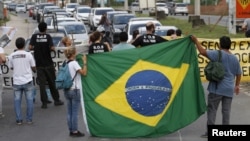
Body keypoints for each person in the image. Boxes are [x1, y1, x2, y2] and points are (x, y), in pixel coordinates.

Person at [191, 35, 242, 138]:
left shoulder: (217, 54)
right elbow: (239, 73)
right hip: (229, 89)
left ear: (219, 45)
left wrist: (196, 41)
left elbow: (202, 52)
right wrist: (236, 85)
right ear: (230, 45)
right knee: (226, 111)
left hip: (217, 88)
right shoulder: (234, 58)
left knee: (212, 110)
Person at [29, 22, 64, 109]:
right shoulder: (48, 37)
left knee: (42, 85)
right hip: (48, 64)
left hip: (39, 64)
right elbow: (52, 48)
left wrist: (36, 48)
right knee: (52, 82)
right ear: (45, 29)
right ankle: (56, 100)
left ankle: (44, 103)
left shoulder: (34, 36)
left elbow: (30, 47)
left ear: (39, 28)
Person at [8, 37, 36, 125]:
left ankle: (19, 119)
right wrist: (34, 70)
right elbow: (33, 66)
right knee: (29, 100)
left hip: (17, 81)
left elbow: (11, 67)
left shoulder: (11, 55)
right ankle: (29, 119)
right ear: (24, 45)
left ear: (16, 45)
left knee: (17, 101)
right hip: (27, 80)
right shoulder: (28, 55)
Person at [63, 47, 87, 137]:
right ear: (74, 54)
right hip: (75, 89)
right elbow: (83, 73)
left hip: (67, 89)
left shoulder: (65, 63)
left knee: (69, 111)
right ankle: (75, 131)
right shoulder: (74, 63)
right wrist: (84, 62)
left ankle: (71, 130)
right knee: (75, 112)